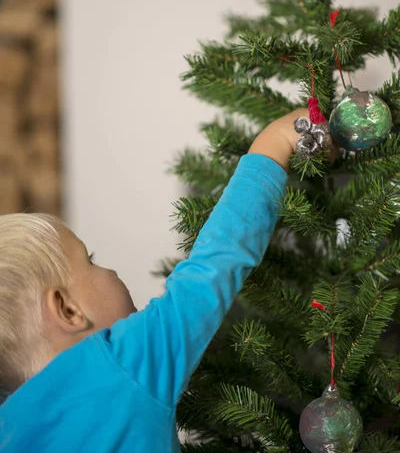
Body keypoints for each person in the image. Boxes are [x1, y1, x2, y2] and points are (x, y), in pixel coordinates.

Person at [0, 108, 309, 452]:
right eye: (90, 261)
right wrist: (275, 143)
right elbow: (214, 267)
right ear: (67, 309)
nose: (110, 271)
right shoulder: (121, 362)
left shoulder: (9, 429)